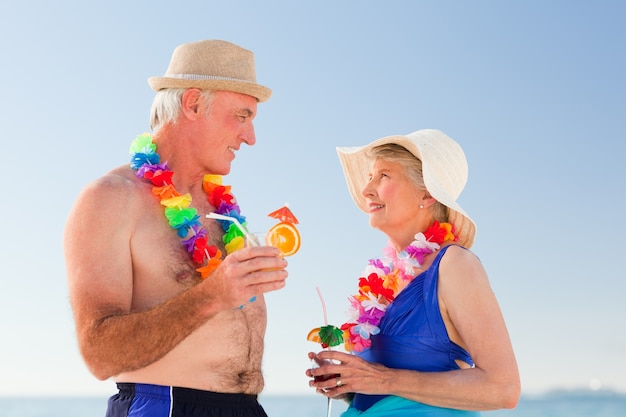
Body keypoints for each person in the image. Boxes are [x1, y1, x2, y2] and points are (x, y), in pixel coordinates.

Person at [64, 40, 288, 417]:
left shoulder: (226, 213)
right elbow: (98, 355)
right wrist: (211, 296)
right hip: (165, 406)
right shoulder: (111, 198)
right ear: (194, 103)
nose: (251, 137)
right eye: (242, 115)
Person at [306, 129, 520, 416]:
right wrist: (350, 383)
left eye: (383, 176)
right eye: (369, 177)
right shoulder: (385, 278)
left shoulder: (455, 265)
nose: (366, 189)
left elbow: (503, 389)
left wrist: (383, 379)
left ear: (428, 194)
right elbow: (387, 391)